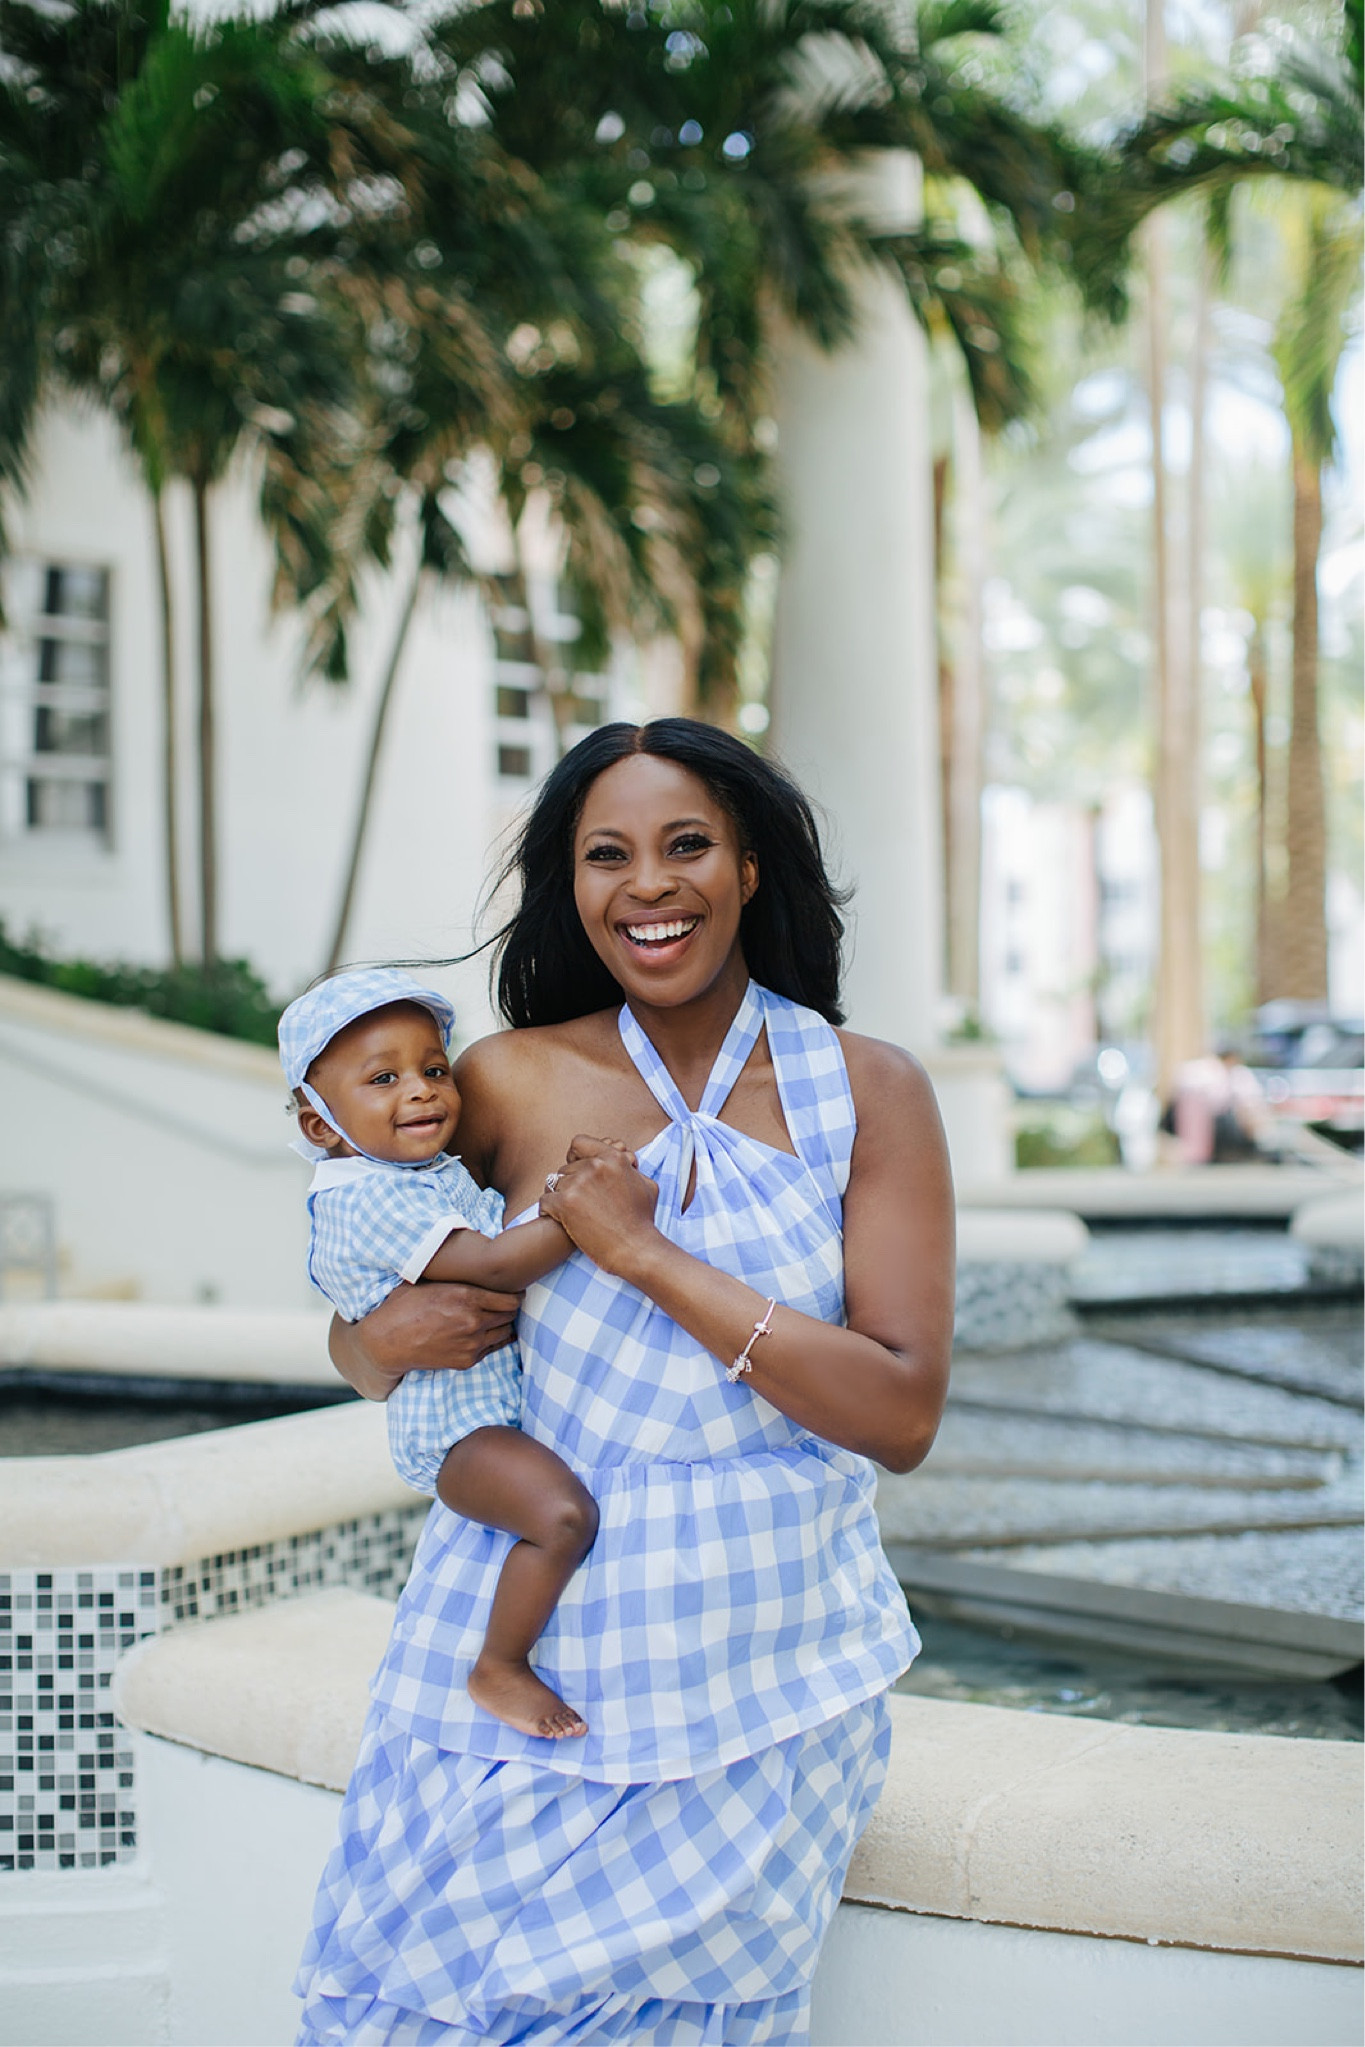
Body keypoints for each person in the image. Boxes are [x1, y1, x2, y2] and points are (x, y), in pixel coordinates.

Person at [294, 718, 955, 2047]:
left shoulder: (864, 1089)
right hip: (514, 1655)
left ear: (750, 866)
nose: (647, 882)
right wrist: (382, 1342)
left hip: (759, 1668)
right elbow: (364, 1322)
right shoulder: (506, 1077)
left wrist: (644, 1254)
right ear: (573, 886)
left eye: (685, 844)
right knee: (418, 2012)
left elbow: (899, 1412)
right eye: (607, 854)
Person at [278, 967, 630, 1741]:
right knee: (561, 1516)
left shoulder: (422, 1174)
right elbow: (499, 1263)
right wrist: (586, 1206)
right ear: (321, 1125)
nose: (423, 1090)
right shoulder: (365, 1197)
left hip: (485, 1413)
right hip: (456, 1431)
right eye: (383, 1079)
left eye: (434, 1068)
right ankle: (499, 1664)